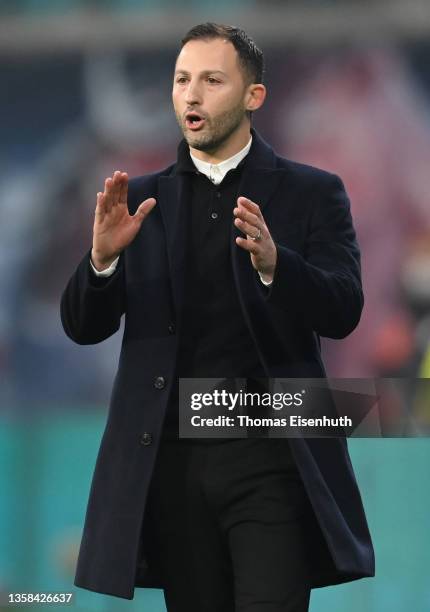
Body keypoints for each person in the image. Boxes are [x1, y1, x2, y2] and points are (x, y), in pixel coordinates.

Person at [60, 22, 374, 612]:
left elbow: (344, 310)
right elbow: (83, 326)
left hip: (273, 456)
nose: (192, 95)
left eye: (211, 80)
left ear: (253, 96)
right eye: (181, 80)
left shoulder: (312, 193)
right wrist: (101, 260)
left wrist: (279, 266)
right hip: (169, 465)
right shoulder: (140, 202)